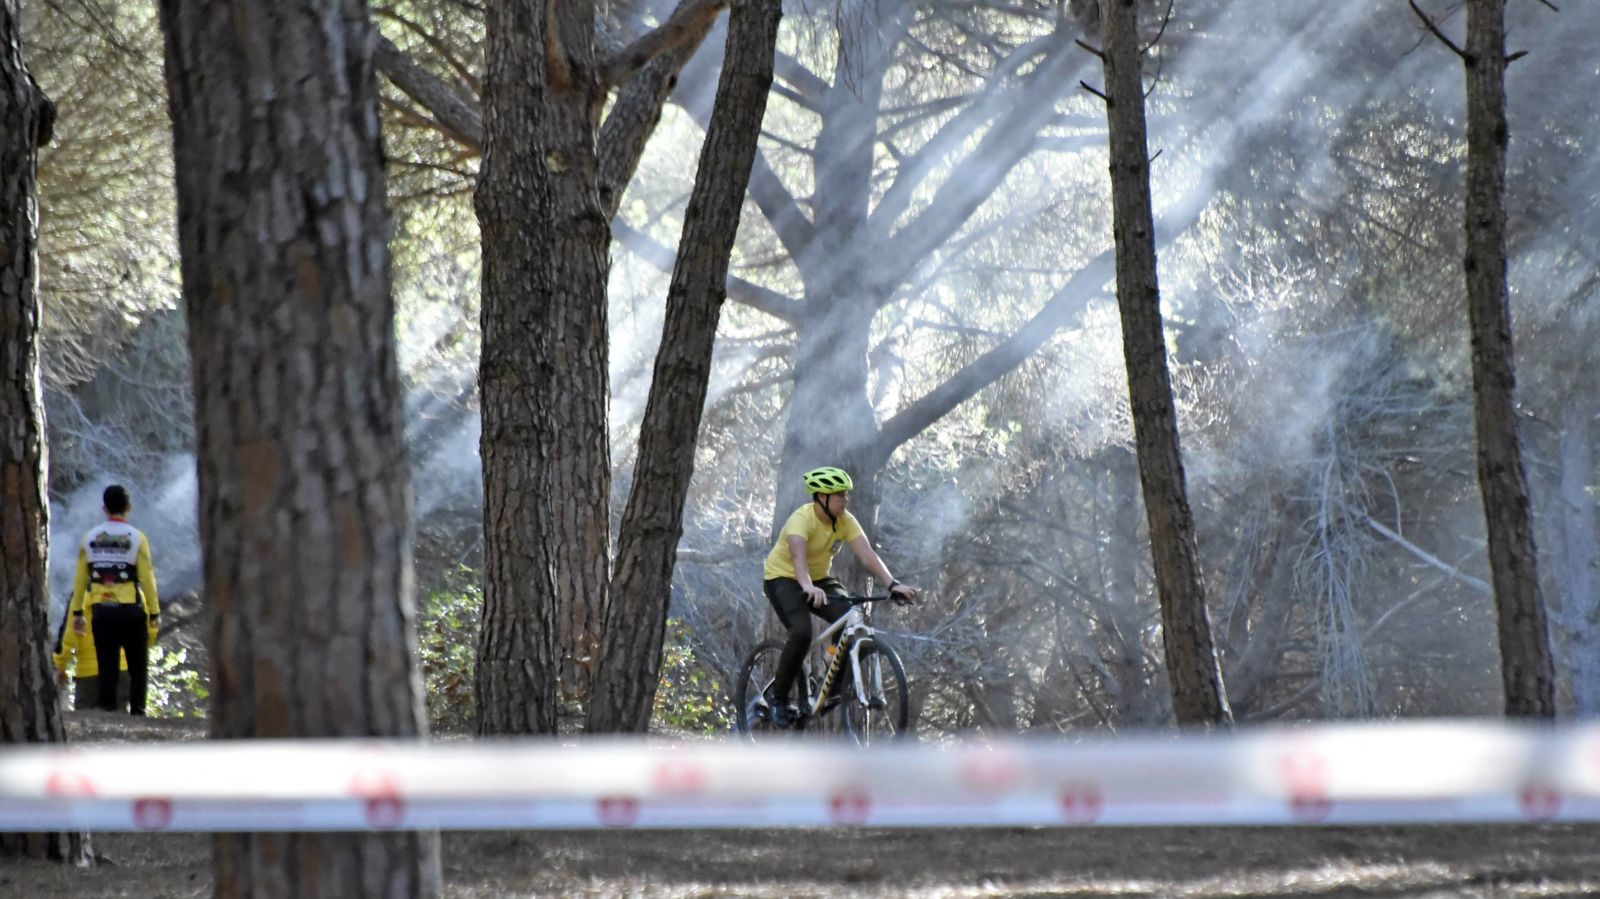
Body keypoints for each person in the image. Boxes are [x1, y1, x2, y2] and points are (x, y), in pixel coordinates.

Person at [760, 466, 919, 726]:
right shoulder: (802, 520)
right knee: (801, 632)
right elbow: (798, 558)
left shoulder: (845, 520)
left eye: (846, 495)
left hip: (819, 578)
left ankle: (831, 686)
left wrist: (893, 584)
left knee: (849, 617)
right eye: (840, 496)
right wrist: (807, 586)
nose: (846, 500)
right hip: (783, 577)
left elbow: (868, 555)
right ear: (822, 498)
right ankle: (777, 699)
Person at [68, 484, 160, 715]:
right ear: (128, 507)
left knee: (106, 667)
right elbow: (147, 578)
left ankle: (108, 713)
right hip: (131, 611)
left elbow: (80, 579)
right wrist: (155, 612)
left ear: (104, 508)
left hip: (102, 612)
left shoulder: (89, 539)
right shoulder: (137, 538)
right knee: (138, 667)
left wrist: (78, 612)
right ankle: (138, 712)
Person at [51, 599, 130, 710]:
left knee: (86, 717)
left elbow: (68, 637)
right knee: (119, 718)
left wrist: (61, 665)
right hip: (121, 670)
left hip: (88, 673)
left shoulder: (82, 595)